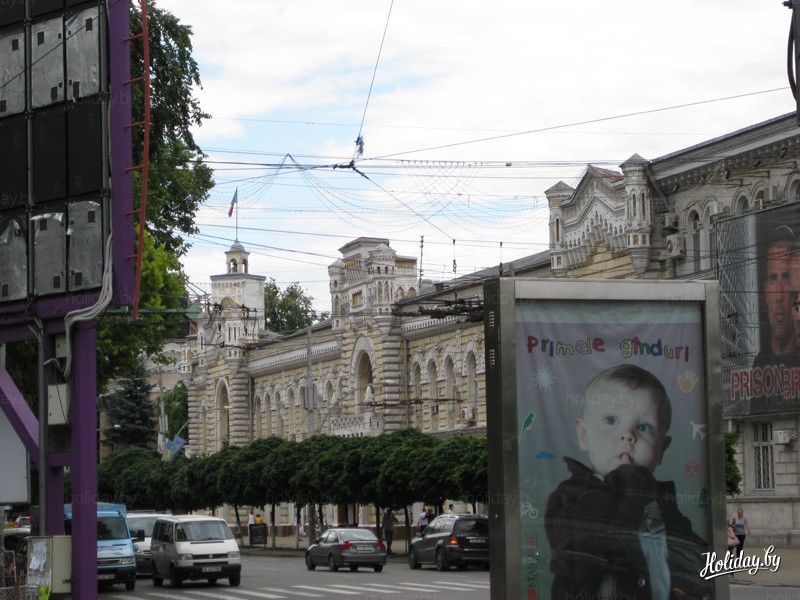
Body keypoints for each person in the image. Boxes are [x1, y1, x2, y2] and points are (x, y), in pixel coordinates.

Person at [545, 364, 712, 600]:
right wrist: (627, 481)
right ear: (584, 435)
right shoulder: (570, 495)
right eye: (611, 420)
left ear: (662, 449)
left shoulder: (662, 502)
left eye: (643, 427)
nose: (628, 435)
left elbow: (692, 554)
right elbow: (572, 547)